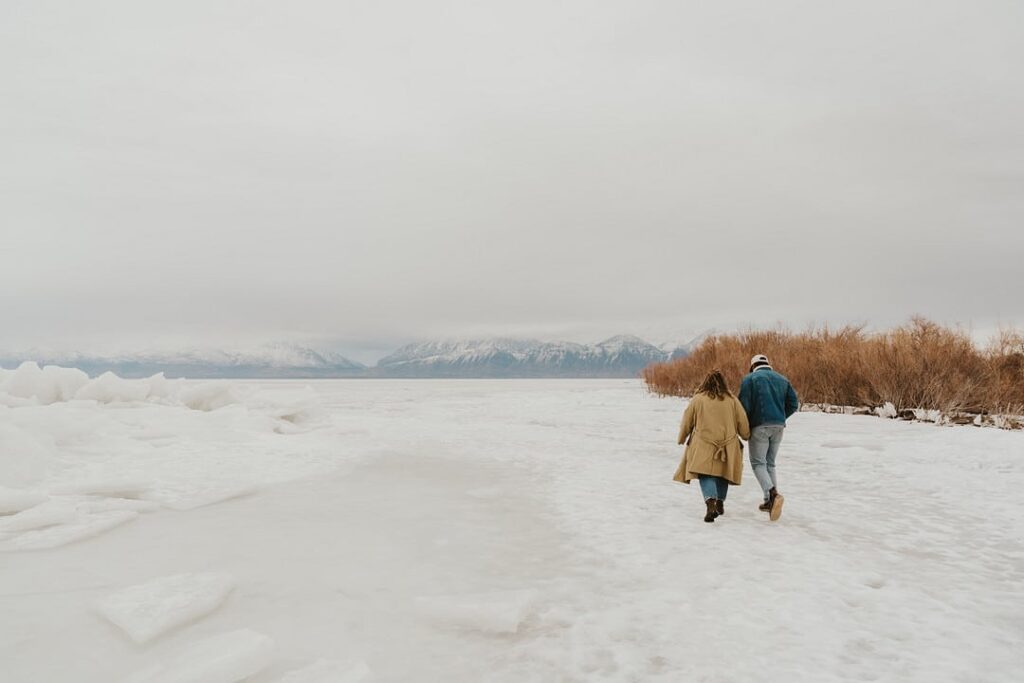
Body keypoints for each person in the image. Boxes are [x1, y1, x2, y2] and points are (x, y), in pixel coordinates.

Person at [674, 369, 751, 523]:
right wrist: (746, 435)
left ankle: (711, 502)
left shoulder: (698, 399)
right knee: (723, 472)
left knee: (706, 473)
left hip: (703, 444)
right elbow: (742, 422)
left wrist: (681, 438)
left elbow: (687, 421)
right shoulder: (732, 400)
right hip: (728, 444)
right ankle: (720, 502)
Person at [738, 354, 799, 521]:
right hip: (779, 427)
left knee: (758, 463)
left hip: (759, 426)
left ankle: (772, 493)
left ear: (752, 366)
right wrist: (780, 417)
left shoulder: (749, 379)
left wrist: (746, 425)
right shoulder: (782, 379)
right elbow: (794, 404)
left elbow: (743, 406)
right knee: (770, 463)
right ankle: (769, 501)